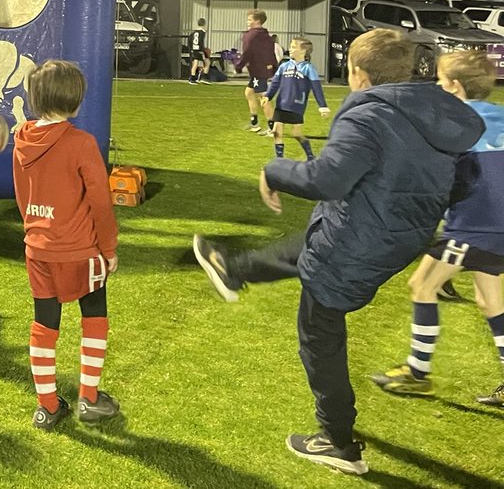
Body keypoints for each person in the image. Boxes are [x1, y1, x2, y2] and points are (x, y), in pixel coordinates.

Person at [191, 29, 484, 475]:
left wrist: (274, 170)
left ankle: (338, 441)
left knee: (320, 333)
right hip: (402, 234)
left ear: (358, 75)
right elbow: (465, 181)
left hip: (365, 237)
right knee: (319, 245)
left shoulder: (369, 114)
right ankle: (234, 269)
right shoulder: (442, 110)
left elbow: (327, 180)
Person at [370, 50, 504, 408]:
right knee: (489, 300)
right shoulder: (500, 115)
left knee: (423, 285)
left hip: (476, 225)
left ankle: (417, 372)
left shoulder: (453, 124)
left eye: (441, 81)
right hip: (495, 226)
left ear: (455, 87)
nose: (438, 87)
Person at [13, 59, 120, 431]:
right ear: (76, 101)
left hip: (37, 250)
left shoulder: (21, 140)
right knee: (94, 315)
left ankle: (46, 406)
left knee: (44, 324)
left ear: (34, 98)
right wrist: (108, 249)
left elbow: (22, 197)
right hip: (81, 251)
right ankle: (89, 399)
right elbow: (101, 202)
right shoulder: (82, 143)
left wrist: (36, 229)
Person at [262, 37, 330, 160]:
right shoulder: (284, 66)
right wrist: (268, 96)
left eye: (293, 47)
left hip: (296, 106)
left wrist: (323, 106)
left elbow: (316, 88)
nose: (290, 49)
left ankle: (310, 155)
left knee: (296, 134)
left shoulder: (309, 68)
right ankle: (279, 159)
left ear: (303, 51)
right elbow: (275, 83)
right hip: (281, 104)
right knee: (277, 132)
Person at [236, 9, 278, 134]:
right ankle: (254, 123)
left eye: (250, 19)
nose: (247, 22)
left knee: (263, 97)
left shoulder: (251, 35)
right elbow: (271, 52)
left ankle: (272, 128)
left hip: (258, 71)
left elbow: (247, 52)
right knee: (249, 92)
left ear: (257, 21)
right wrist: (274, 67)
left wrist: (239, 66)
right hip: (261, 70)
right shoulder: (266, 35)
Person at [187, 18, 208, 84]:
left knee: (195, 63)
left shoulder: (194, 32)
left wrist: (191, 49)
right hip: (199, 49)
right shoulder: (202, 32)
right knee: (207, 62)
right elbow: (200, 41)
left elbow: (190, 40)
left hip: (194, 49)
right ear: (204, 24)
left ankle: (192, 78)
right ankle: (204, 77)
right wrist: (202, 50)